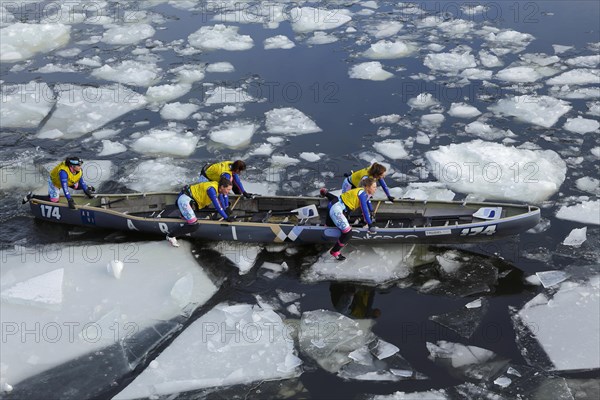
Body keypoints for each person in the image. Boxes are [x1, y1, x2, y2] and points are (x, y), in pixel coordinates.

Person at [166, 177, 234, 247]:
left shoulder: (219, 187)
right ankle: (170, 236)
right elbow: (217, 206)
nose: (228, 191)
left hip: (191, 201)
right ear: (222, 187)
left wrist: (226, 208)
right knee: (194, 225)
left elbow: (221, 199)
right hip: (185, 200)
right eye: (228, 189)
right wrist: (226, 217)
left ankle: (183, 215)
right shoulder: (211, 189)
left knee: (195, 215)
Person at [321, 177, 377, 261]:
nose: (376, 189)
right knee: (348, 233)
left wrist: (372, 211)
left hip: (334, 204)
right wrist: (370, 225)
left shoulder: (363, 191)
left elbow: (367, 202)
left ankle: (325, 193)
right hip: (336, 210)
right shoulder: (362, 194)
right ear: (367, 187)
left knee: (330, 226)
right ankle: (334, 251)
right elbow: (364, 210)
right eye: (374, 187)